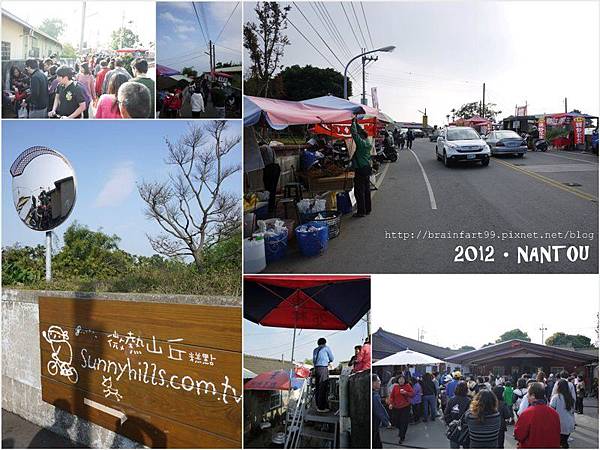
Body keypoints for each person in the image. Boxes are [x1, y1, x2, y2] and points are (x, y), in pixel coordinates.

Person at [514, 382, 561, 448]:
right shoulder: (554, 413)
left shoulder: (527, 413)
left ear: (533, 395)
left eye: (528, 394)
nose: (527, 396)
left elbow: (518, 435)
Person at [349, 116, 372, 218]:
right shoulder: (368, 141)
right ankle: (368, 209)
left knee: (359, 191)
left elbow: (354, 133)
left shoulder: (361, 143)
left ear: (361, 136)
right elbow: (359, 131)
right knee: (366, 189)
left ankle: (361, 211)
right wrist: (356, 122)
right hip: (367, 168)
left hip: (361, 170)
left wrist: (353, 123)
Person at [444, 381, 471, 449]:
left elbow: (446, 413)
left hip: (453, 428)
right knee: (466, 446)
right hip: (465, 429)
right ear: (466, 390)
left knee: (454, 446)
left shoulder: (451, 400)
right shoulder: (469, 401)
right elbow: (470, 416)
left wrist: (450, 423)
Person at [550, 379, 576, 449]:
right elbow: (573, 411)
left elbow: (551, 410)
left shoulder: (556, 397)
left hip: (558, 423)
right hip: (569, 423)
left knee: (558, 443)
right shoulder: (571, 398)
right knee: (564, 442)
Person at [388, 375, 414, 444]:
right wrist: (391, 403)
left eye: (402, 379)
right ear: (397, 380)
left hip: (405, 406)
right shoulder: (395, 387)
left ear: (405, 380)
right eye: (400, 379)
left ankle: (402, 436)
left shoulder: (407, 386)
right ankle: (401, 430)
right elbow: (392, 396)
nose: (401, 380)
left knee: (404, 422)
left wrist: (406, 392)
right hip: (396, 407)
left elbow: (412, 394)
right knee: (396, 421)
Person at [312, 337, 334, 413]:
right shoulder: (326, 348)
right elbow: (332, 358)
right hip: (323, 368)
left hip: (316, 369)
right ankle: (322, 407)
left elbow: (314, 360)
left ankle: (318, 405)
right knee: (323, 387)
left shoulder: (315, 350)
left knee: (317, 387)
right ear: (325, 343)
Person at [259, 143, 281, 215]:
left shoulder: (262, 148)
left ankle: (268, 207)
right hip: (276, 167)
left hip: (269, 168)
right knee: (273, 189)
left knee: (268, 188)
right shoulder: (270, 148)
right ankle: (271, 206)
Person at [373, 374, 391, 449]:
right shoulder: (374, 396)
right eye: (379, 381)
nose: (380, 382)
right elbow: (380, 410)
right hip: (373, 425)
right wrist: (387, 422)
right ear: (373, 383)